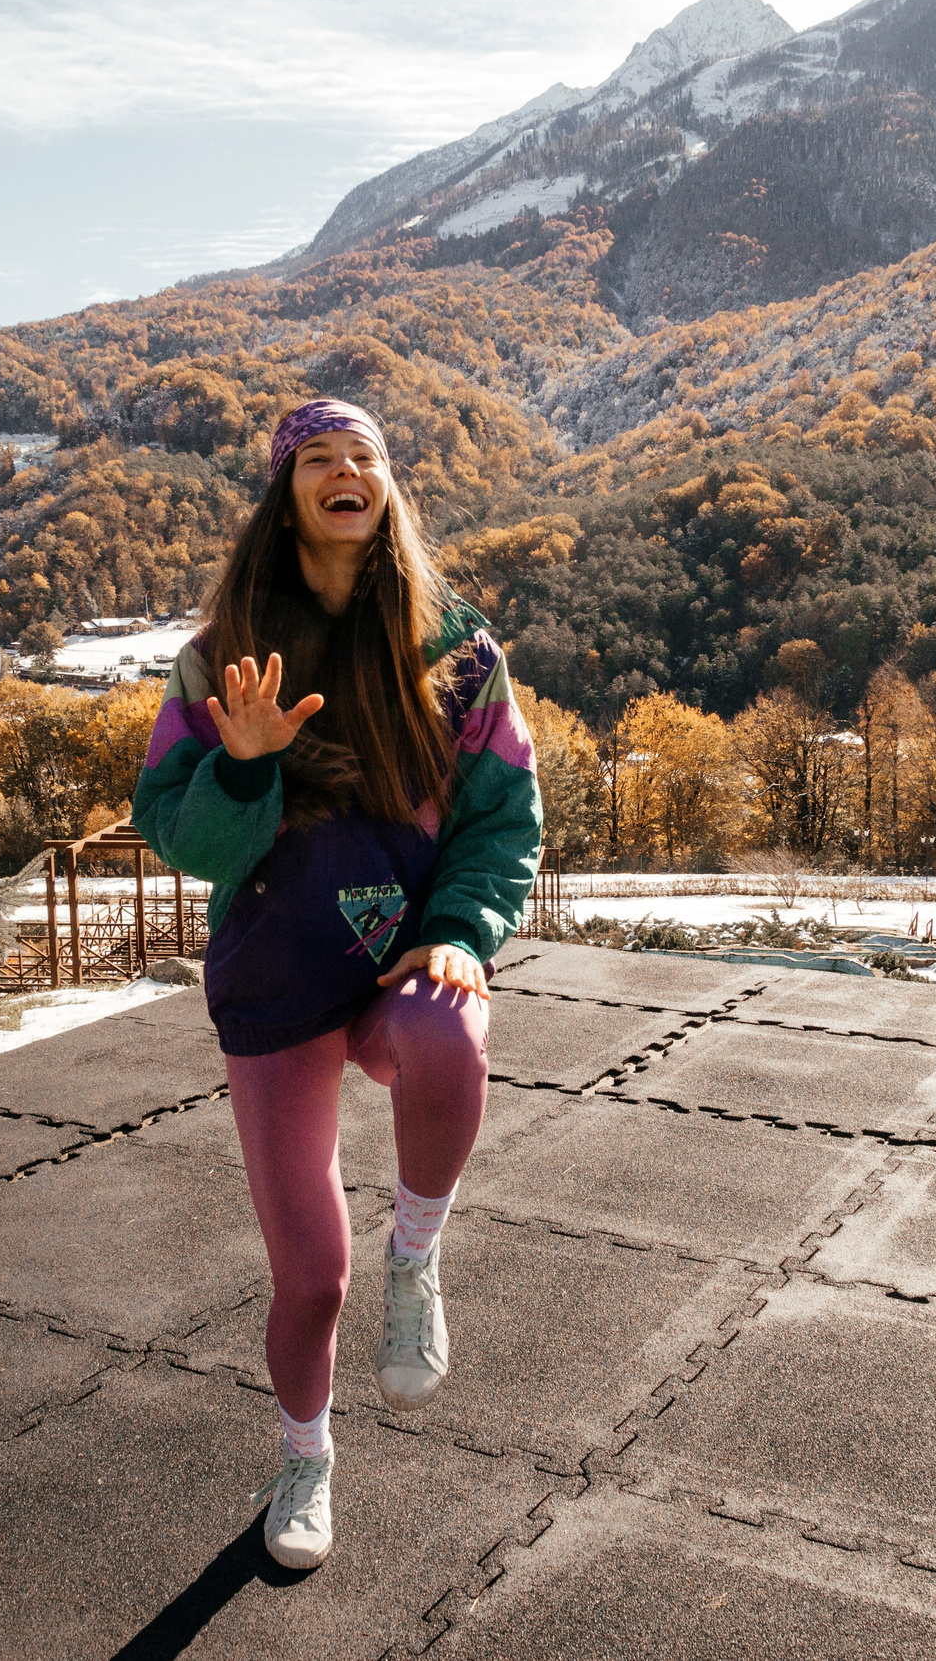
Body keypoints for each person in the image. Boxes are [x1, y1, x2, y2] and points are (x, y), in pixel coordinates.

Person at [133, 397, 541, 1571]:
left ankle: (417, 1260)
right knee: (309, 1279)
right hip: (277, 974)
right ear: (287, 490)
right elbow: (180, 834)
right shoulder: (219, 657)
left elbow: (503, 816)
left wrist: (463, 929)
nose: (346, 470)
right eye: (319, 458)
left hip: (398, 959)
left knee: (448, 1036)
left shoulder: (459, 650)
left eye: (364, 456)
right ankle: (305, 1457)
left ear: (389, 488)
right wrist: (245, 768)